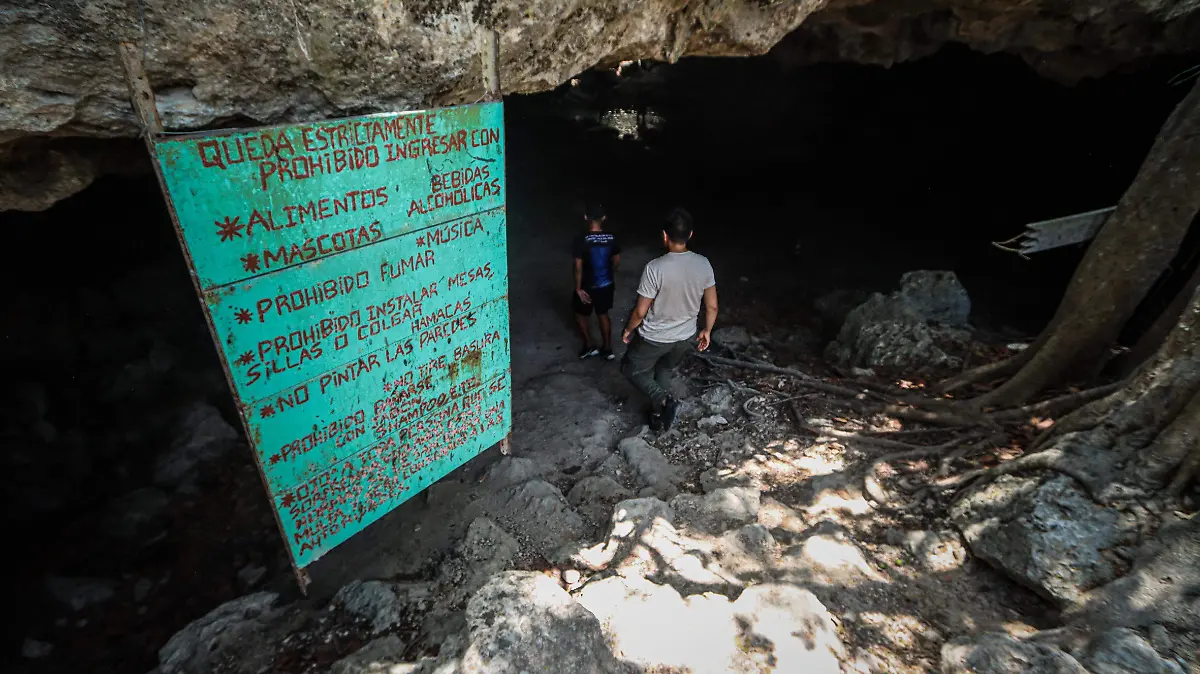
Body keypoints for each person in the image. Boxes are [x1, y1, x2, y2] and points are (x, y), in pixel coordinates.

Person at [621, 208, 718, 431]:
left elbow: (639, 312)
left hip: (655, 337)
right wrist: (707, 330)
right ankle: (657, 416)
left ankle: (664, 400)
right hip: (685, 336)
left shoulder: (654, 268)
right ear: (690, 235)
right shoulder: (703, 263)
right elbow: (712, 305)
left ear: (664, 235)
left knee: (631, 369)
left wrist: (628, 330)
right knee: (664, 369)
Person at [572, 203, 621, 360]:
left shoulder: (581, 239)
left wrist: (578, 288)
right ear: (604, 218)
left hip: (587, 285)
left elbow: (578, 267)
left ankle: (588, 346)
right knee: (603, 314)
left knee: (580, 314)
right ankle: (607, 348)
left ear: (586, 217)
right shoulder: (612, 238)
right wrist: (610, 272)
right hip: (606, 284)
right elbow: (616, 260)